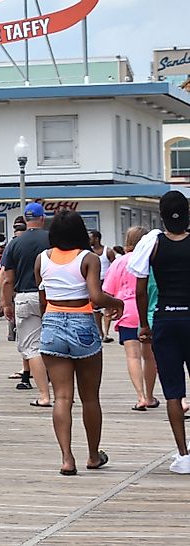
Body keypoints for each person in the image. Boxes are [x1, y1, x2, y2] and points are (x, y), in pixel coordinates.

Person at [36, 210, 123, 475]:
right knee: (89, 398)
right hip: (81, 323)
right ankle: (93, 455)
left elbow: (42, 296)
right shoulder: (89, 258)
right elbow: (95, 296)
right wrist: (116, 303)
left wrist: (50, 320)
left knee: (62, 396)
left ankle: (66, 458)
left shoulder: (42, 258)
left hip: (51, 323)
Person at [134, 190, 190, 474]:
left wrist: (144, 324)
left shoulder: (153, 245)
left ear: (162, 216)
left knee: (172, 392)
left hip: (166, 319)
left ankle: (183, 455)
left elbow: (141, 289)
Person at [0, 202, 53, 408]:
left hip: (24, 296)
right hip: (51, 297)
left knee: (33, 348)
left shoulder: (15, 243)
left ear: (25, 219)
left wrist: (6, 303)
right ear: (42, 218)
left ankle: (44, 395)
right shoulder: (52, 240)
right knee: (54, 346)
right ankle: (64, 391)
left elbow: (8, 279)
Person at [105, 227, 159, 411]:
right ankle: (151, 396)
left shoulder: (120, 262)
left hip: (126, 310)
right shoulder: (152, 260)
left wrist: (110, 309)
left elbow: (108, 291)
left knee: (132, 356)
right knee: (149, 357)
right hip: (149, 311)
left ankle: (140, 396)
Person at [90, 230, 118, 343]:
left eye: (91, 238)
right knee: (95, 309)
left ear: (97, 238)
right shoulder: (88, 252)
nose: (89, 240)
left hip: (106, 282)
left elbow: (114, 265)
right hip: (94, 282)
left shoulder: (108, 251)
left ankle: (106, 333)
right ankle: (100, 333)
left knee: (108, 308)